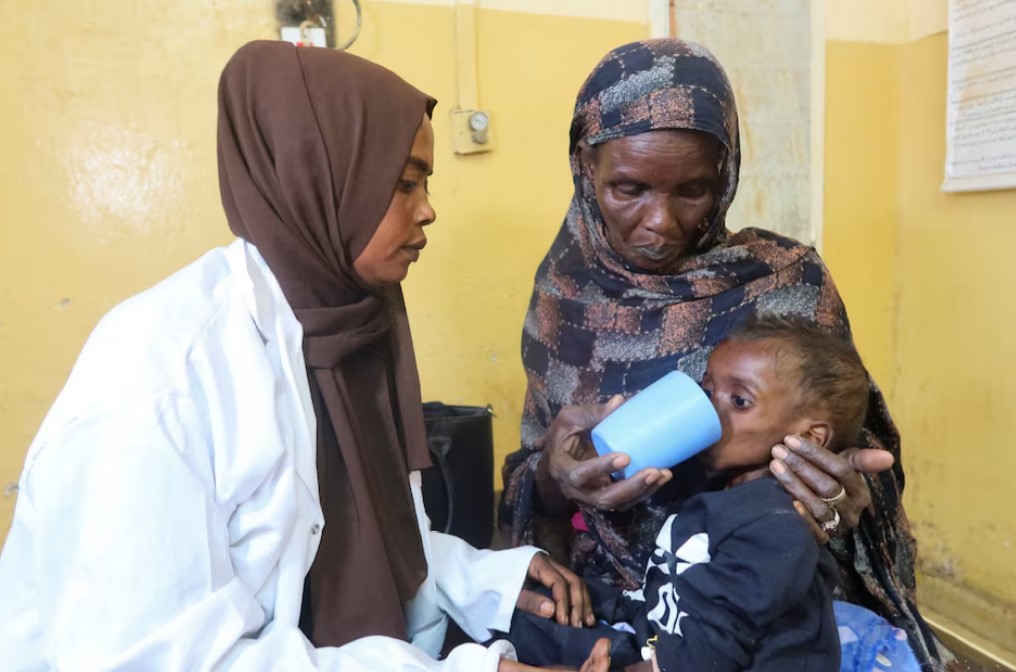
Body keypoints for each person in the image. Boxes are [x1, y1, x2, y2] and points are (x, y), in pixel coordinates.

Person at [0, 41, 609, 672]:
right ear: (316, 179)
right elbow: (155, 658)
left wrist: (491, 579)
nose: (428, 209)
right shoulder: (160, 375)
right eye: (404, 182)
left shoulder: (350, 328)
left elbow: (353, 540)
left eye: (426, 182)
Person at [499, 38, 952, 669]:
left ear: (727, 172)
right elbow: (531, 477)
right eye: (628, 188)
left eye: (693, 191)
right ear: (586, 168)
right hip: (621, 610)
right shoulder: (564, 295)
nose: (659, 221)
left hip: (761, 613)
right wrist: (553, 477)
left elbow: (853, 471)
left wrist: (840, 503)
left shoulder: (785, 282)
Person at [508, 315, 871, 670]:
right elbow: (671, 595)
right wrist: (602, 603)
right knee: (520, 615)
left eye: (739, 401)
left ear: (809, 438)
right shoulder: (719, 492)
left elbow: (713, 648)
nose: (709, 406)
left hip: (703, 659)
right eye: (709, 389)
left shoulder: (776, 524)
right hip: (665, 640)